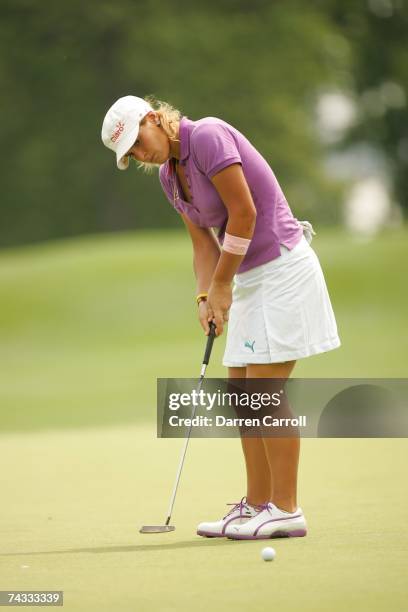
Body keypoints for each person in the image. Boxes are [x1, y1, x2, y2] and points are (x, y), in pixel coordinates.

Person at [101, 95, 341, 540]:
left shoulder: (208, 135)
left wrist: (223, 285)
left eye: (138, 141)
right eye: (130, 153)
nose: (140, 154)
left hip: (283, 268)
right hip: (248, 278)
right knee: (241, 392)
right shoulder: (170, 179)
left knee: (264, 393)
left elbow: (244, 214)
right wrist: (203, 296)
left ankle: (286, 509)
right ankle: (256, 506)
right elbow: (203, 246)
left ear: (154, 119)